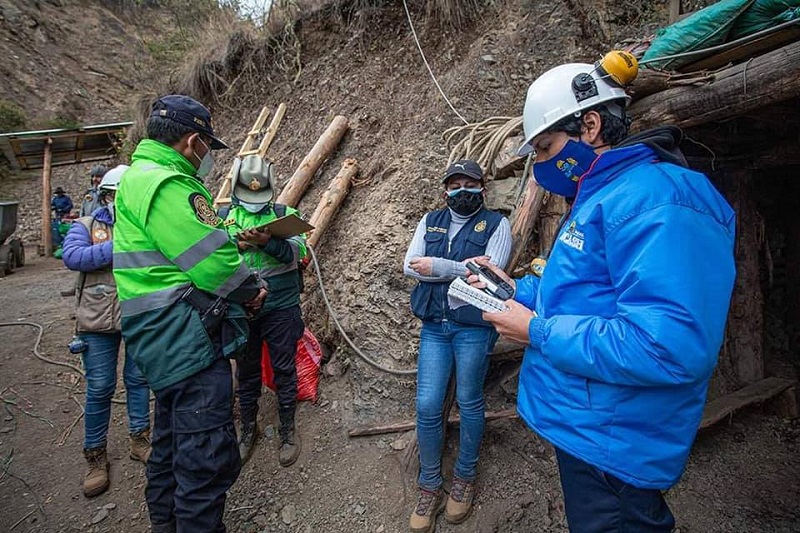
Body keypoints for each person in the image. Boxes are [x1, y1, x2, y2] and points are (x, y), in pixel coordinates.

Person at [472, 62, 736, 532]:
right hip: (591, 426)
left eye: (546, 149)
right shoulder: (604, 196)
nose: (541, 165)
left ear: (589, 126)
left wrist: (534, 330)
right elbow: (578, 292)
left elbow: (668, 346)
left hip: (616, 440)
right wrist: (515, 291)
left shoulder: (658, 201)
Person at [113, 95, 266, 533]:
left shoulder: (138, 177)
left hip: (157, 339)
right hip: (186, 342)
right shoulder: (168, 183)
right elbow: (213, 263)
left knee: (171, 449)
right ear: (193, 142)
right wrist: (252, 291)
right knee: (205, 463)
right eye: (206, 149)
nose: (206, 160)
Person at [403, 159, 512, 532]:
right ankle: (430, 484)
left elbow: (490, 276)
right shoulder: (429, 221)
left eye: (470, 184)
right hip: (435, 326)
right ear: (445, 189)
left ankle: (464, 478)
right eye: (455, 184)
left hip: (473, 329)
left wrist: (438, 266)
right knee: (428, 404)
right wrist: (458, 266)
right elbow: (409, 265)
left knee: (469, 401)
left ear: (483, 188)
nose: (461, 190)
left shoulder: (498, 224)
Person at [62, 164, 151, 498]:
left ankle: (139, 439)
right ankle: (95, 456)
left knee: (139, 380)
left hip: (138, 316)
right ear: (108, 196)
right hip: (96, 322)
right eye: (118, 195)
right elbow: (73, 256)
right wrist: (119, 247)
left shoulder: (144, 226)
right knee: (100, 387)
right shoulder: (87, 225)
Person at [223, 155, 307, 468]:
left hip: (281, 305)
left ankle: (287, 429)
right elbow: (213, 256)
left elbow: (297, 251)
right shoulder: (224, 217)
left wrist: (268, 242)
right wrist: (240, 246)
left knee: (284, 367)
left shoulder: (286, 214)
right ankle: (248, 428)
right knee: (246, 372)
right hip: (242, 308)